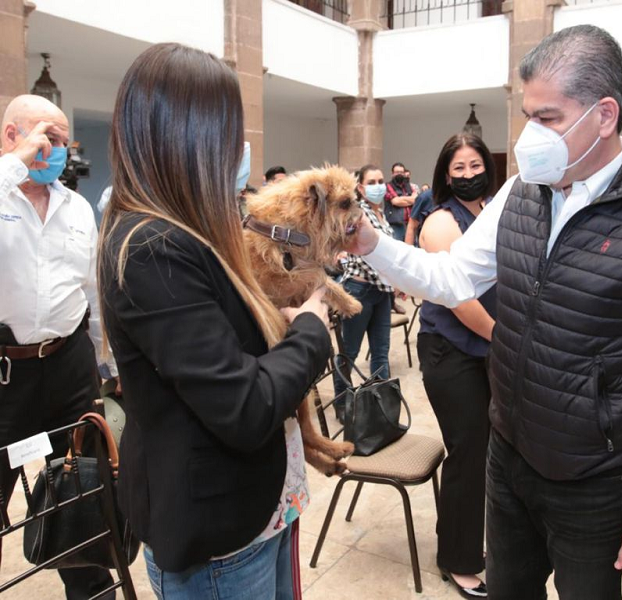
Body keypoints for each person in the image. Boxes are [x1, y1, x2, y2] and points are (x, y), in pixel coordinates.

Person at [347, 25, 622, 600]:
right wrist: (369, 243)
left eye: (547, 118)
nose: (530, 136)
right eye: (527, 115)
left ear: (603, 115)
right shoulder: (522, 192)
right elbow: (452, 276)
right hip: (510, 457)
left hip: (592, 482)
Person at [99, 43, 332, 599]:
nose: (241, 148)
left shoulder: (195, 231)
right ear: (192, 137)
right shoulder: (153, 246)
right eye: (233, 131)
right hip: (218, 540)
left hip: (256, 508)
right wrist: (311, 329)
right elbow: (244, 407)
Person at [0, 94, 117, 598]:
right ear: (13, 135)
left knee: (82, 488)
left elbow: (89, 289)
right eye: (49, 137)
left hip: (69, 365)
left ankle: (91, 586)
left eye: (64, 142)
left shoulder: (76, 209)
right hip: (6, 372)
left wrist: (105, 360)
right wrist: (15, 164)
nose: (60, 151)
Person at [416, 133, 497, 598]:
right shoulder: (442, 221)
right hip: (451, 351)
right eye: (459, 169)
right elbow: (460, 298)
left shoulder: (490, 213)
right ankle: (458, 560)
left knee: (486, 454)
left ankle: (470, 542)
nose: (469, 174)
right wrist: (504, 338)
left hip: (485, 348)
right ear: (446, 176)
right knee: (468, 452)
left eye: (475, 166)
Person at [332, 165, 395, 421]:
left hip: (381, 291)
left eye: (381, 180)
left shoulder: (380, 213)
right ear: (360, 187)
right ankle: (343, 404)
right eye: (372, 181)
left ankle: (382, 405)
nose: (378, 185)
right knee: (350, 353)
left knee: (381, 351)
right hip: (359, 290)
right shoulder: (357, 213)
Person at [384, 161, 417, 242]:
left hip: (409, 224)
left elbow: (416, 199)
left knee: (411, 249)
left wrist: (401, 199)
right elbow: (395, 202)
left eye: (401, 172)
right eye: (397, 172)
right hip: (396, 225)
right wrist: (410, 200)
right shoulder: (388, 185)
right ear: (392, 174)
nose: (399, 174)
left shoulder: (408, 185)